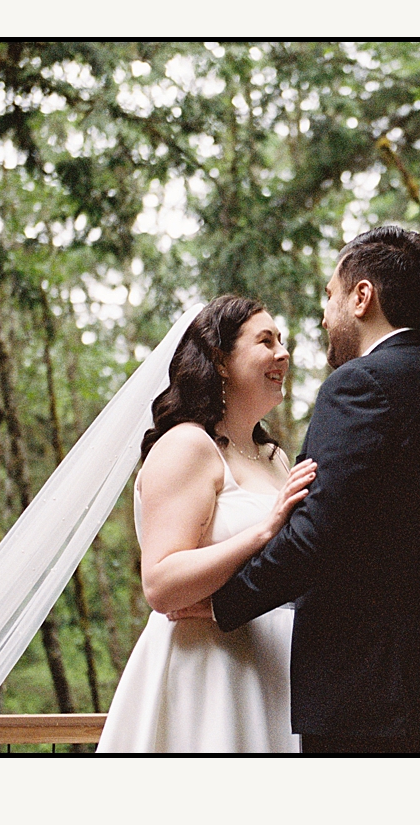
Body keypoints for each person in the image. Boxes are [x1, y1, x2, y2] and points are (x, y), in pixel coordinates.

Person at [211, 223, 420, 756]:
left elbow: (313, 537)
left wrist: (218, 607)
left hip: (366, 697)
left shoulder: (360, 385)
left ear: (362, 296)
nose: (324, 316)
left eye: (329, 295)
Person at [98, 295, 317, 753]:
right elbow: (161, 583)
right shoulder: (187, 446)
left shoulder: (274, 457)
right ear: (220, 361)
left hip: (275, 671)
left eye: (283, 341)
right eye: (265, 340)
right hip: (206, 671)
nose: (283, 353)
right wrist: (263, 531)